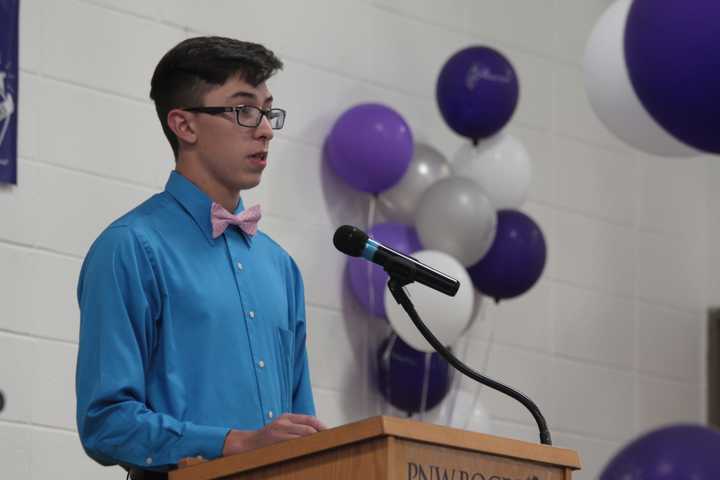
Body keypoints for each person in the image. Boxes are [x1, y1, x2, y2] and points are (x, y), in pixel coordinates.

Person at [75, 36, 326, 479]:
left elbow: (303, 432)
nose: (265, 128)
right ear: (184, 126)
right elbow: (105, 422)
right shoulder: (131, 247)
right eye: (244, 110)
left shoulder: (281, 268)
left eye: (268, 111)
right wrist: (235, 443)